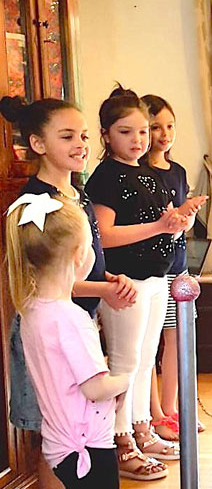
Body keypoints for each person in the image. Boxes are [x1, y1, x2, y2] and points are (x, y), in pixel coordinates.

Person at [0, 96, 138, 489]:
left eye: (83, 135)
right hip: (55, 327)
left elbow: (80, 261)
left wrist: (108, 280)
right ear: (38, 144)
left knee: (68, 434)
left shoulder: (77, 195)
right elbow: (46, 276)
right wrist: (102, 288)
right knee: (57, 438)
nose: (81, 144)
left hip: (75, 320)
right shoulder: (37, 204)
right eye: (67, 137)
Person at [85, 85, 190, 480]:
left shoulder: (149, 172)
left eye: (142, 132)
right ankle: (120, 438)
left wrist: (176, 224)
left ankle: (142, 426)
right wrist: (160, 226)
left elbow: (161, 225)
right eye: (126, 132)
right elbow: (105, 235)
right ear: (107, 135)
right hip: (123, 280)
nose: (138, 140)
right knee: (125, 361)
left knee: (146, 359)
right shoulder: (106, 177)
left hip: (156, 277)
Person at [6, 194, 130, 488]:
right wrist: (124, 379)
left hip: (56, 445)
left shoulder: (31, 310)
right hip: (89, 448)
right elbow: (95, 388)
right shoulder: (72, 319)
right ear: (78, 255)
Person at [141, 94, 207, 441]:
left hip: (179, 266)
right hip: (151, 268)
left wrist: (189, 211)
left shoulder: (178, 171)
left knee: (178, 338)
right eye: (155, 127)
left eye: (169, 126)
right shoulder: (139, 172)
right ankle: (153, 415)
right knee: (150, 343)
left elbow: (179, 220)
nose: (164, 134)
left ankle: (171, 409)